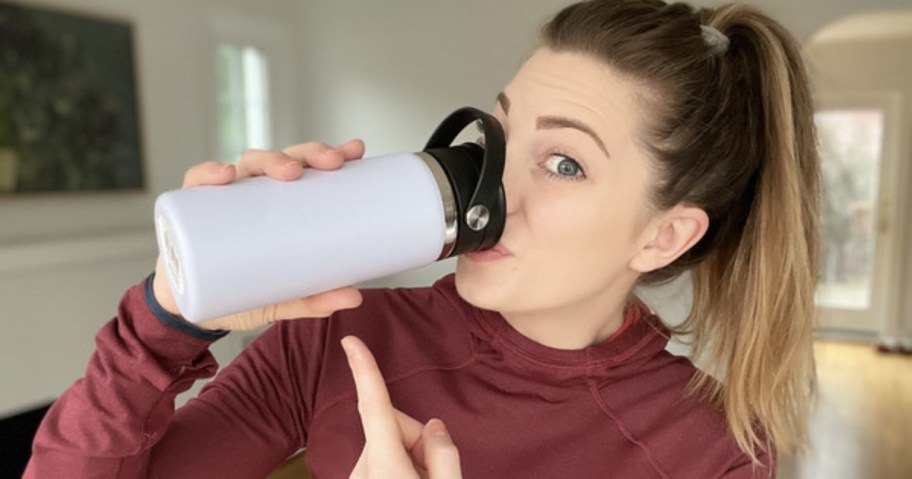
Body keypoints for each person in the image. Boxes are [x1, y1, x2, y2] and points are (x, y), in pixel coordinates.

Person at [25, 0, 819, 477]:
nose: (493, 182)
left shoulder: (710, 452)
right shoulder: (339, 334)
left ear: (662, 235)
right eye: (501, 131)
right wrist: (169, 314)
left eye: (566, 162)